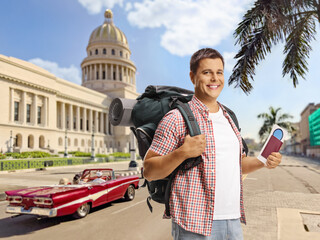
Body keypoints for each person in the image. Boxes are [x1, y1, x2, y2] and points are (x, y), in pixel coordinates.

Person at [143, 48, 282, 240]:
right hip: (194, 224)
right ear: (193, 77)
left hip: (233, 220)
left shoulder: (229, 118)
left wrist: (263, 161)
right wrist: (182, 153)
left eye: (219, 72)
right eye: (206, 72)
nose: (214, 79)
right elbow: (149, 170)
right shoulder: (176, 118)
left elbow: (238, 163)